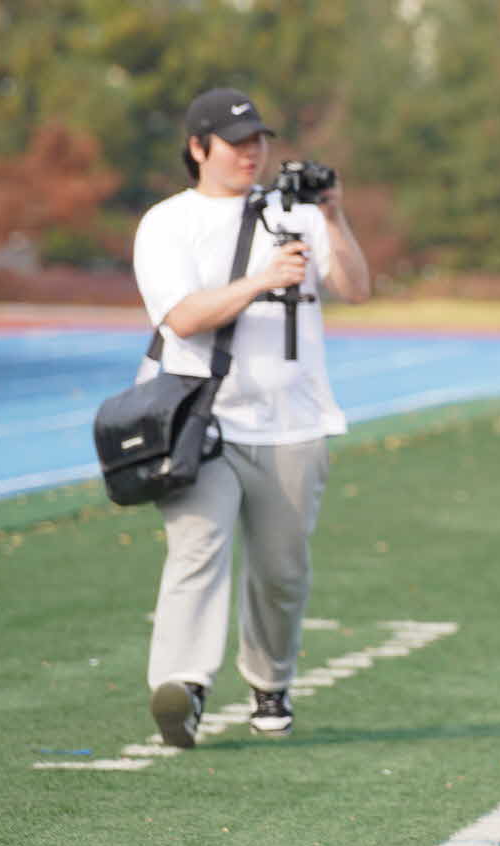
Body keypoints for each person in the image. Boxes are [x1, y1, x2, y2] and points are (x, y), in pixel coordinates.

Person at [131, 88, 372, 749]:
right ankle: (181, 686)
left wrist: (336, 217)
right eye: (236, 143)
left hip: (292, 421)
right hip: (198, 420)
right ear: (197, 148)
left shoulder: (296, 213)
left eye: (258, 141)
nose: (251, 153)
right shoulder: (166, 223)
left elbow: (355, 287)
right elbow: (182, 317)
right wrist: (263, 281)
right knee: (196, 551)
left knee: (282, 570)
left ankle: (270, 681)